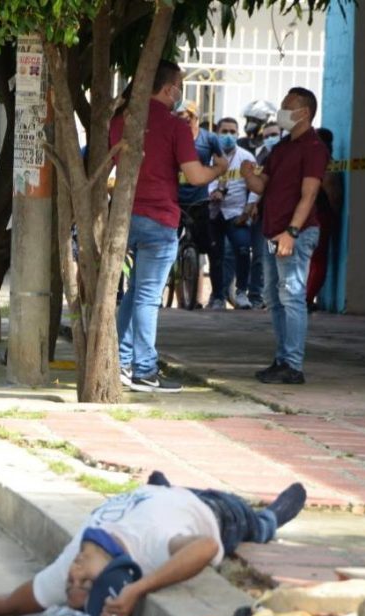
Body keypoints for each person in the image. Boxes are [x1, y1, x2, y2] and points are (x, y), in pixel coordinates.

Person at [0, 472, 307, 616]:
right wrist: (137, 591)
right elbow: (208, 545)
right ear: (121, 571)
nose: (74, 574)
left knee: (158, 489)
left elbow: (6, 604)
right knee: (258, 527)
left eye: (75, 581)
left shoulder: (68, 566)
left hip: (160, 498)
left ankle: (158, 485)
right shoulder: (152, 550)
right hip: (215, 511)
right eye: (85, 582)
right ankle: (271, 517)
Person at [109, 62, 229, 394]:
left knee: (132, 294)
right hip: (160, 218)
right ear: (168, 89)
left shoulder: (121, 121)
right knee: (147, 297)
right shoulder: (174, 126)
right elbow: (194, 177)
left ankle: (121, 362)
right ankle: (145, 370)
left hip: (124, 217)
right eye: (179, 86)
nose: (180, 94)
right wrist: (220, 168)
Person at [242, 87, 329, 385]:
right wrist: (246, 173)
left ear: (304, 112)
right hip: (271, 231)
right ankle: (282, 360)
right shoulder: (281, 148)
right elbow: (261, 185)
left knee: (291, 296)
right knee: (274, 298)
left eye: (286, 106)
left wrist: (292, 231)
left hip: (295, 233)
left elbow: (310, 194)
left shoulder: (314, 147)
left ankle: (293, 364)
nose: (281, 111)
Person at [175, 100, 222, 310]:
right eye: (179, 119)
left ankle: (212, 295)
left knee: (207, 247)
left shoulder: (209, 139)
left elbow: (223, 165)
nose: (183, 123)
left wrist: (216, 185)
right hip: (174, 199)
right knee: (168, 246)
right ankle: (170, 294)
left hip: (200, 199)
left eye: (187, 119)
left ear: (195, 118)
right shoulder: (172, 135)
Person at [208, 117, 257, 309]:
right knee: (216, 255)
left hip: (237, 212)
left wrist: (249, 207)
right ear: (217, 133)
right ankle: (218, 296)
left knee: (243, 249)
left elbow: (255, 185)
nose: (228, 136)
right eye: (224, 131)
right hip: (214, 212)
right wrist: (213, 193)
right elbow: (202, 178)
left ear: (238, 134)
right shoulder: (209, 156)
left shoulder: (247, 157)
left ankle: (241, 292)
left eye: (232, 132)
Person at [244, 122, 284, 309]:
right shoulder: (261, 156)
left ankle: (279, 297)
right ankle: (258, 295)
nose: (270, 139)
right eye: (267, 135)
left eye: (274, 134)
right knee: (263, 255)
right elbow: (258, 184)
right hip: (266, 219)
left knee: (281, 258)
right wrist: (253, 204)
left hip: (284, 219)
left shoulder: (287, 154)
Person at [306, 128, 343, 310]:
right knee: (318, 260)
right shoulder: (327, 165)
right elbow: (333, 195)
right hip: (319, 216)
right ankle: (306, 299)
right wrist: (334, 215)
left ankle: (301, 298)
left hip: (304, 216)